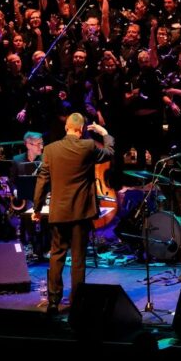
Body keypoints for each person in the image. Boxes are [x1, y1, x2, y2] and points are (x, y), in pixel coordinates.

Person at [32, 113, 114, 313]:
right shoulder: (88, 146)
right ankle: (77, 302)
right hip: (81, 212)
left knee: (57, 254)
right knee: (78, 259)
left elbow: (42, 181)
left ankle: (53, 301)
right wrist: (105, 134)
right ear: (81, 129)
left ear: (66, 128)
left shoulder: (50, 150)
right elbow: (110, 152)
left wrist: (36, 208)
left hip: (59, 212)